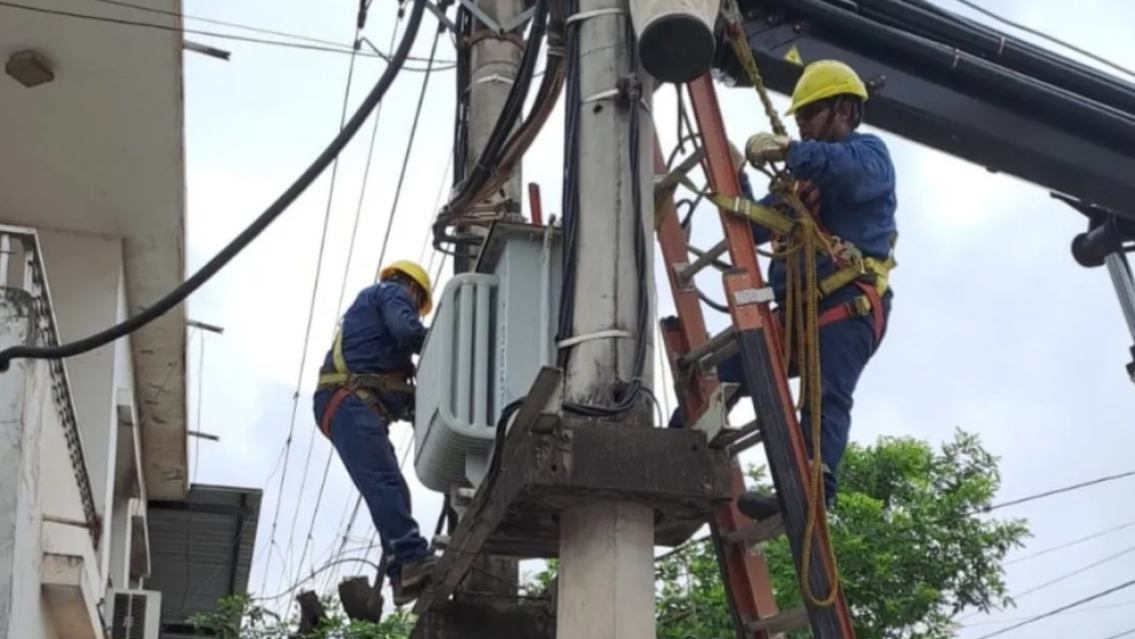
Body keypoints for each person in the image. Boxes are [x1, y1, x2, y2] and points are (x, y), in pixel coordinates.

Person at [671, 60, 898, 520]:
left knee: (825, 395)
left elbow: (851, 172)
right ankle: (670, 453)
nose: (803, 125)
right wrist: (739, 177)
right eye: (798, 119)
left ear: (845, 111)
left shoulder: (868, 155)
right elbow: (759, 226)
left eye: (810, 115)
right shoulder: (801, 182)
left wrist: (792, 150)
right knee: (720, 373)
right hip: (796, 311)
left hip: (846, 305)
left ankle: (811, 494)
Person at [313, 259, 437, 605]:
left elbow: (402, 393)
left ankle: (403, 575)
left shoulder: (373, 315)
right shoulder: (391, 293)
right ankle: (412, 557)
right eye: (418, 307)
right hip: (350, 401)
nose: (415, 312)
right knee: (384, 483)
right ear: (413, 290)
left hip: (352, 405)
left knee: (393, 487)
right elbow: (409, 331)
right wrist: (448, 342)